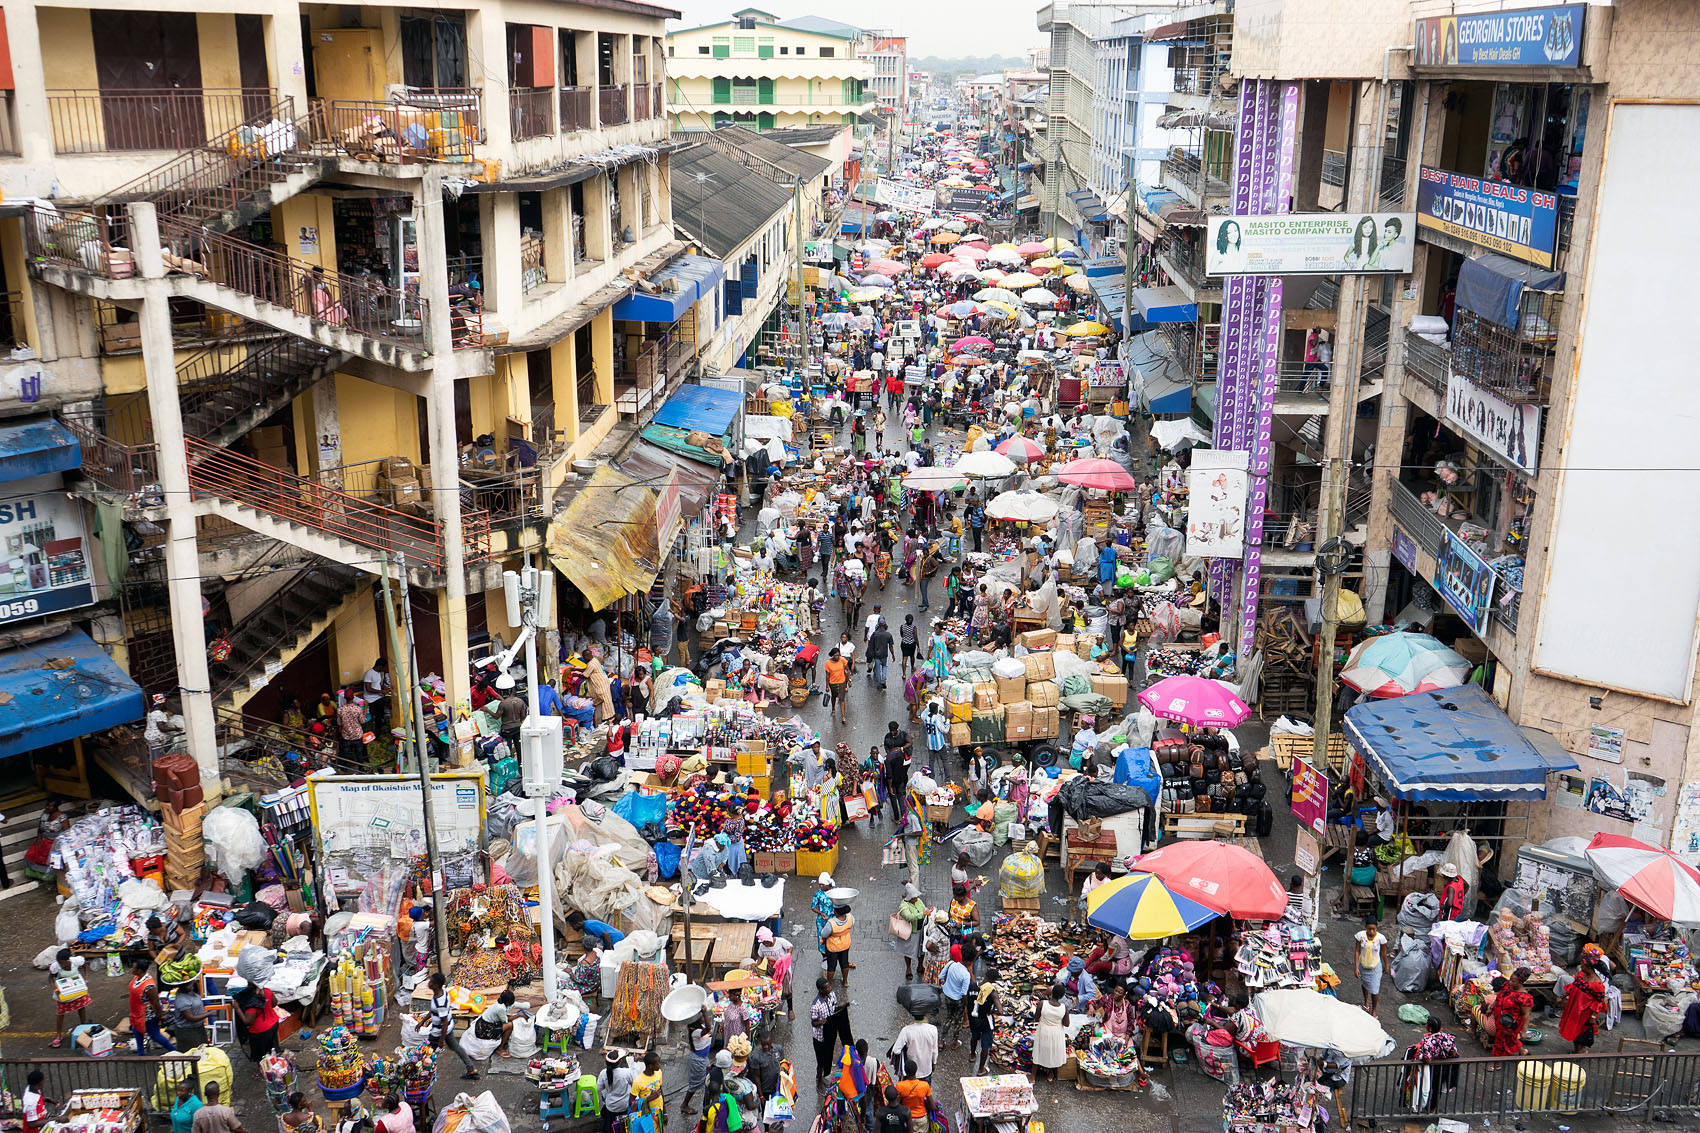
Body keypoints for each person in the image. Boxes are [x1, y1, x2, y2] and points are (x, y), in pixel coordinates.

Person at [129, 956, 178, 1054]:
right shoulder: (136, 978)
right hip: (136, 1013)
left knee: (155, 1035)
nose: (131, 969)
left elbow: (155, 1001)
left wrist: (160, 1016)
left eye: (133, 968)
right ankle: (141, 1053)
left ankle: (174, 1051)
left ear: (139, 970)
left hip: (147, 1016)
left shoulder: (149, 985)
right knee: (137, 1032)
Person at [1560, 960, 1609, 1052]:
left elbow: (1599, 1001)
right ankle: (1577, 1051)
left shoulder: (1597, 984)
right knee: (1574, 1031)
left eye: (1583, 965)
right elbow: (1574, 986)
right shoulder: (1581, 974)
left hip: (1585, 1013)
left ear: (1589, 968)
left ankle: (1581, 1051)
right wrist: (1563, 996)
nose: (1581, 966)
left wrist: (1593, 1016)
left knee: (1582, 1033)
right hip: (1575, 1008)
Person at [228, 974, 280, 1061]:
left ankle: (267, 1071)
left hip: (261, 1031)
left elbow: (248, 1021)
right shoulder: (267, 991)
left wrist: (237, 1008)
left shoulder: (251, 1001)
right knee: (272, 1050)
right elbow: (274, 1003)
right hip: (273, 1024)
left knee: (262, 1057)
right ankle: (274, 1068)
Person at [48, 946, 90, 1047]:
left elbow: (85, 966)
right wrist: (56, 989)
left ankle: (83, 1027)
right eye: (59, 962)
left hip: (77, 989)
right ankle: (58, 1034)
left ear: (68, 960)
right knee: (60, 1012)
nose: (60, 964)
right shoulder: (56, 967)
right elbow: (50, 979)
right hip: (64, 992)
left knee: (81, 1008)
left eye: (62, 962)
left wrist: (86, 978)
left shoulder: (76, 961)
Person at [1491, 968, 1534, 1057]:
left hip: (1511, 1024)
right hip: (1500, 1020)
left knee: (1501, 1041)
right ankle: (1522, 1051)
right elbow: (1499, 996)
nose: (1510, 982)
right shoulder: (1508, 986)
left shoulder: (1524, 997)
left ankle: (1498, 1061)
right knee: (1511, 1039)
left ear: (1521, 982)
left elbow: (1526, 1015)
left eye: (1513, 981)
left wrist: (1524, 1031)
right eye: (1510, 979)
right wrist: (1491, 1006)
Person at [940, 940, 975, 1050]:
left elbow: (941, 976)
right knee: (958, 1021)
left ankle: (942, 1041)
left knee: (948, 1017)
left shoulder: (951, 964)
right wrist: (966, 1005)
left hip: (947, 996)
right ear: (971, 961)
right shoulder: (966, 975)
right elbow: (964, 994)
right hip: (958, 1000)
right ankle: (954, 1042)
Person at [681, 1005, 714, 1116]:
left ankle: (708, 1101)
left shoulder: (700, 1027)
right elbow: (708, 1030)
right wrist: (704, 1012)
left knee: (707, 1078)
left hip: (703, 1058)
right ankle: (684, 1105)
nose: (704, 1017)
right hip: (698, 1060)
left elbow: (709, 1032)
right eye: (702, 1016)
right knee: (695, 1084)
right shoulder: (696, 1031)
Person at [1031, 986, 1069, 1082]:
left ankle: (1032, 1077)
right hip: (1056, 1032)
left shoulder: (1042, 1004)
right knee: (1052, 1052)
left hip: (1043, 1029)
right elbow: (1067, 1024)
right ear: (1061, 996)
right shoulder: (1064, 1008)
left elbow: (1036, 1018)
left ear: (1051, 993)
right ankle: (1050, 1074)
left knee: (1039, 1051)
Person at [1354, 918, 1390, 1017]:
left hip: (1375, 968)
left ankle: (1374, 1010)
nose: (1372, 932)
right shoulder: (1360, 936)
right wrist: (1356, 967)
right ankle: (1366, 1003)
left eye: (1374, 929)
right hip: (1363, 966)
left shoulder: (1380, 938)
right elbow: (1357, 951)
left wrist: (1386, 965)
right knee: (1365, 984)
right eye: (1369, 929)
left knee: (1375, 990)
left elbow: (1383, 953)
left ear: (1376, 928)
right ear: (1366, 928)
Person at [756, 926, 795, 1016]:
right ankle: (772, 1009)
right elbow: (760, 957)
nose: (764, 943)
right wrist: (756, 964)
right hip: (771, 970)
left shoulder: (780, 941)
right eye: (763, 942)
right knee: (770, 990)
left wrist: (787, 955)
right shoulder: (762, 946)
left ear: (769, 938)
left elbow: (790, 947)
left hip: (783, 970)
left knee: (787, 990)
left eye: (765, 941)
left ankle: (790, 1010)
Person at [892, 1009, 939, 1081]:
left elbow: (896, 1050)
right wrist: (934, 1063)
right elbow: (934, 1050)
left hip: (910, 1072)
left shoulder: (906, 1030)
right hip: (926, 1070)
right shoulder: (933, 1029)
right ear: (925, 1015)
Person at [968, 971, 1001, 1074]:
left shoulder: (972, 986)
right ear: (993, 980)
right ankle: (981, 1069)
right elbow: (1000, 1011)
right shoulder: (992, 992)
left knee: (974, 1036)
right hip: (985, 1020)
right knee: (985, 1045)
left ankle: (972, 1055)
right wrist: (992, 1011)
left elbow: (966, 999)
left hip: (973, 1018)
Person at [597, 1049, 636, 1133]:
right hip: (624, 1106)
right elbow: (635, 1084)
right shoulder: (626, 1073)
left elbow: (598, 1088)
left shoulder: (603, 1073)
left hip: (611, 1107)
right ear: (619, 1062)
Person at [810, 977, 841, 1080]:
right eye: (827, 987)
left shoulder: (831, 995)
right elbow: (813, 1023)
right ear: (820, 990)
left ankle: (823, 1077)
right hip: (820, 1038)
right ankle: (819, 1081)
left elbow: (833, 1008)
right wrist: (822, 1022)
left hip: (830, 1035)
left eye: (829, 986)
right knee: (821, 1063)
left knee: (827, 1058)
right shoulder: (815, 1005)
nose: (830, 988)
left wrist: (843, 1007)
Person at [896, 882, 928, 982]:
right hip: (911, 931)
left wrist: (928, 911)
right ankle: (908, 968)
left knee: (922, 948)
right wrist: (923, 914)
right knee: (908, 950)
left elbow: (924, 908)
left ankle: (920, 965)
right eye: (915, 896)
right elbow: (909, 917)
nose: (917, 898)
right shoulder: (903, 905)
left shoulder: (918, 901)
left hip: (921, 929)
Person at [825, 901, 855, 984]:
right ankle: (845, 982)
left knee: (831, 966)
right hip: (845, 944)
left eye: (834, 910)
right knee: (844, 963)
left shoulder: (831, 923)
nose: (833, 911)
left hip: (833, 947)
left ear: (837, 913)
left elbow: (824, 933)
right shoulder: (850, 917)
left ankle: (829, 983)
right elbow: (853, 923)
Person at [630, 1051, 664, 1124]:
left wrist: (665, 1113)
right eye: (658, 1063)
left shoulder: (659, 1073)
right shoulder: (638, 1081)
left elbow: (661, 1092)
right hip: (646, 1116)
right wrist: (649, 1098)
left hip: (659, 1112)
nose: (660, 1065)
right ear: (651, 1066)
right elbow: (631, 1103)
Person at [363, 658, 392, 735]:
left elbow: (379, 685)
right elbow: (368, 688)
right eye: (384, 667)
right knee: (374, 717)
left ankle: (379, 733)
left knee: (381, 715)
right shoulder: (369, 673)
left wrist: (384, 688)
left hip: (379, 697)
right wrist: (381, 691)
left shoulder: (380, 673)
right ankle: (373, 734)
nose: (385, 669)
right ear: (380, 666)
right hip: (371, 699)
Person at [867, 618, 895, 690]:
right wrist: (893, 655)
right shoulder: (888, 635)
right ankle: (884, 679)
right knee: (884, 666)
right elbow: (891, 646)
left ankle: (879, 683)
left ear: (878, 625)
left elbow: (870, 645)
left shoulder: (875, 634)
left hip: (876, 655)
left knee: (877, 669)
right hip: (884, 654)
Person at [824, 648, 850, 724]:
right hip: (833, 683)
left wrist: (849, 680)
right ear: (832, 655)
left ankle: (843, 716)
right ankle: (833, 709)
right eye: (836, 655)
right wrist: (827, 686)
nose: (837, 657)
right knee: (834, 697)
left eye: (838, 655)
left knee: (842, 699)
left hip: (842, 682)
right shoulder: (828, 663)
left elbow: (847, 670)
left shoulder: (842, 660)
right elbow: (827, 675)